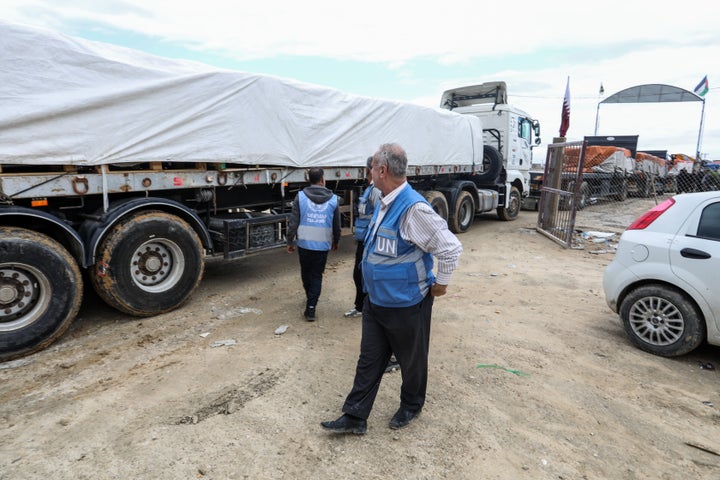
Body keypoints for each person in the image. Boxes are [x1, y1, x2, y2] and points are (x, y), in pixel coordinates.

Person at [321, 143, 463, 434]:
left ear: (382, 170)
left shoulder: (413, 209)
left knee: (412, 361)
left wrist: (441, 285)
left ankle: (411, 405)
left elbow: (450, 248)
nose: (369, 172)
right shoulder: (383, 199)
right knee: (369, 359)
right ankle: (355, 416)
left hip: (407, 304)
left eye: (372, 167)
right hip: (377, 302)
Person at [286, 167, 341, 321]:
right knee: (317, 275)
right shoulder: (333, 199)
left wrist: (290, 241)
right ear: (323, 180)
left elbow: (293, 222)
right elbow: (337, 225)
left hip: (304, 244)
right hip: (322, 246)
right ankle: (311, 307)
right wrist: (336, 241)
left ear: (308, 180)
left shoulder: (300, 197)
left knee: (306, 273)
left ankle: (310, 299)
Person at [344, 156, 381, 319]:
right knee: (359, 274)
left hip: (369, 241)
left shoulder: (375, 191)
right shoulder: (369, 189)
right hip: (363, 238)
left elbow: (379, 217)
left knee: (361, 274)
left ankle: (366, 307)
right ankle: (361, 306)